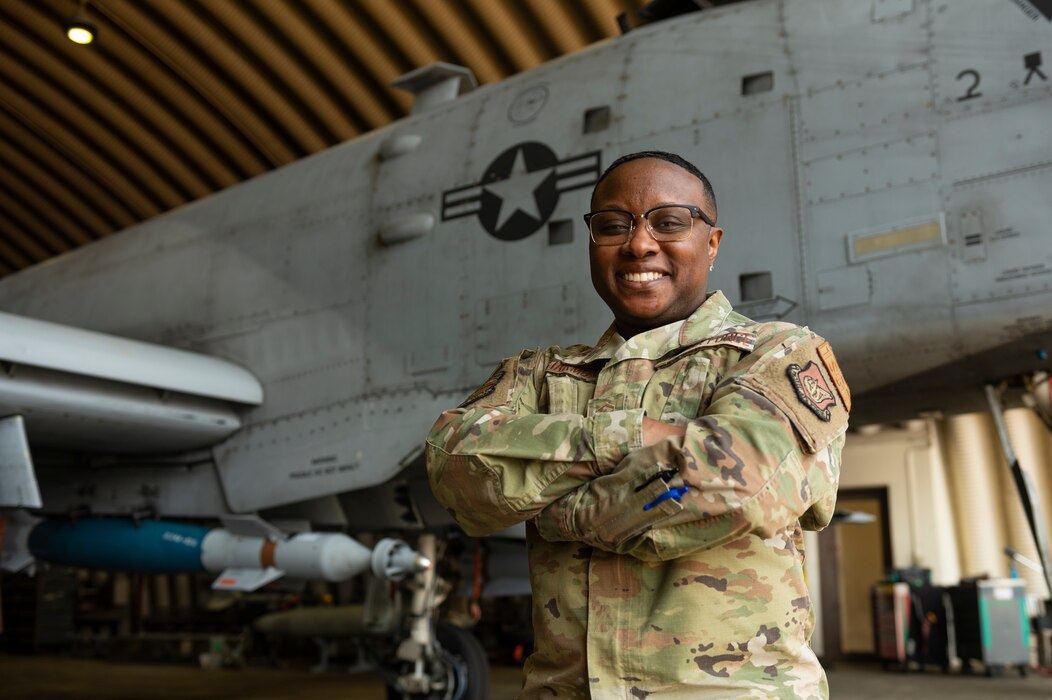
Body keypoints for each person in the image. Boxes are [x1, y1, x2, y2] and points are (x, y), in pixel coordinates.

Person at [426, 151, 849, 699]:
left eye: (669, 222)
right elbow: (454, 466)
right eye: (612, 226)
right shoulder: (537, 372)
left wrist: (556, 511)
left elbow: (741, 485)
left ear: (712, 243)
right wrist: (631, 439)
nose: (640, 244)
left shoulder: (778, 352)